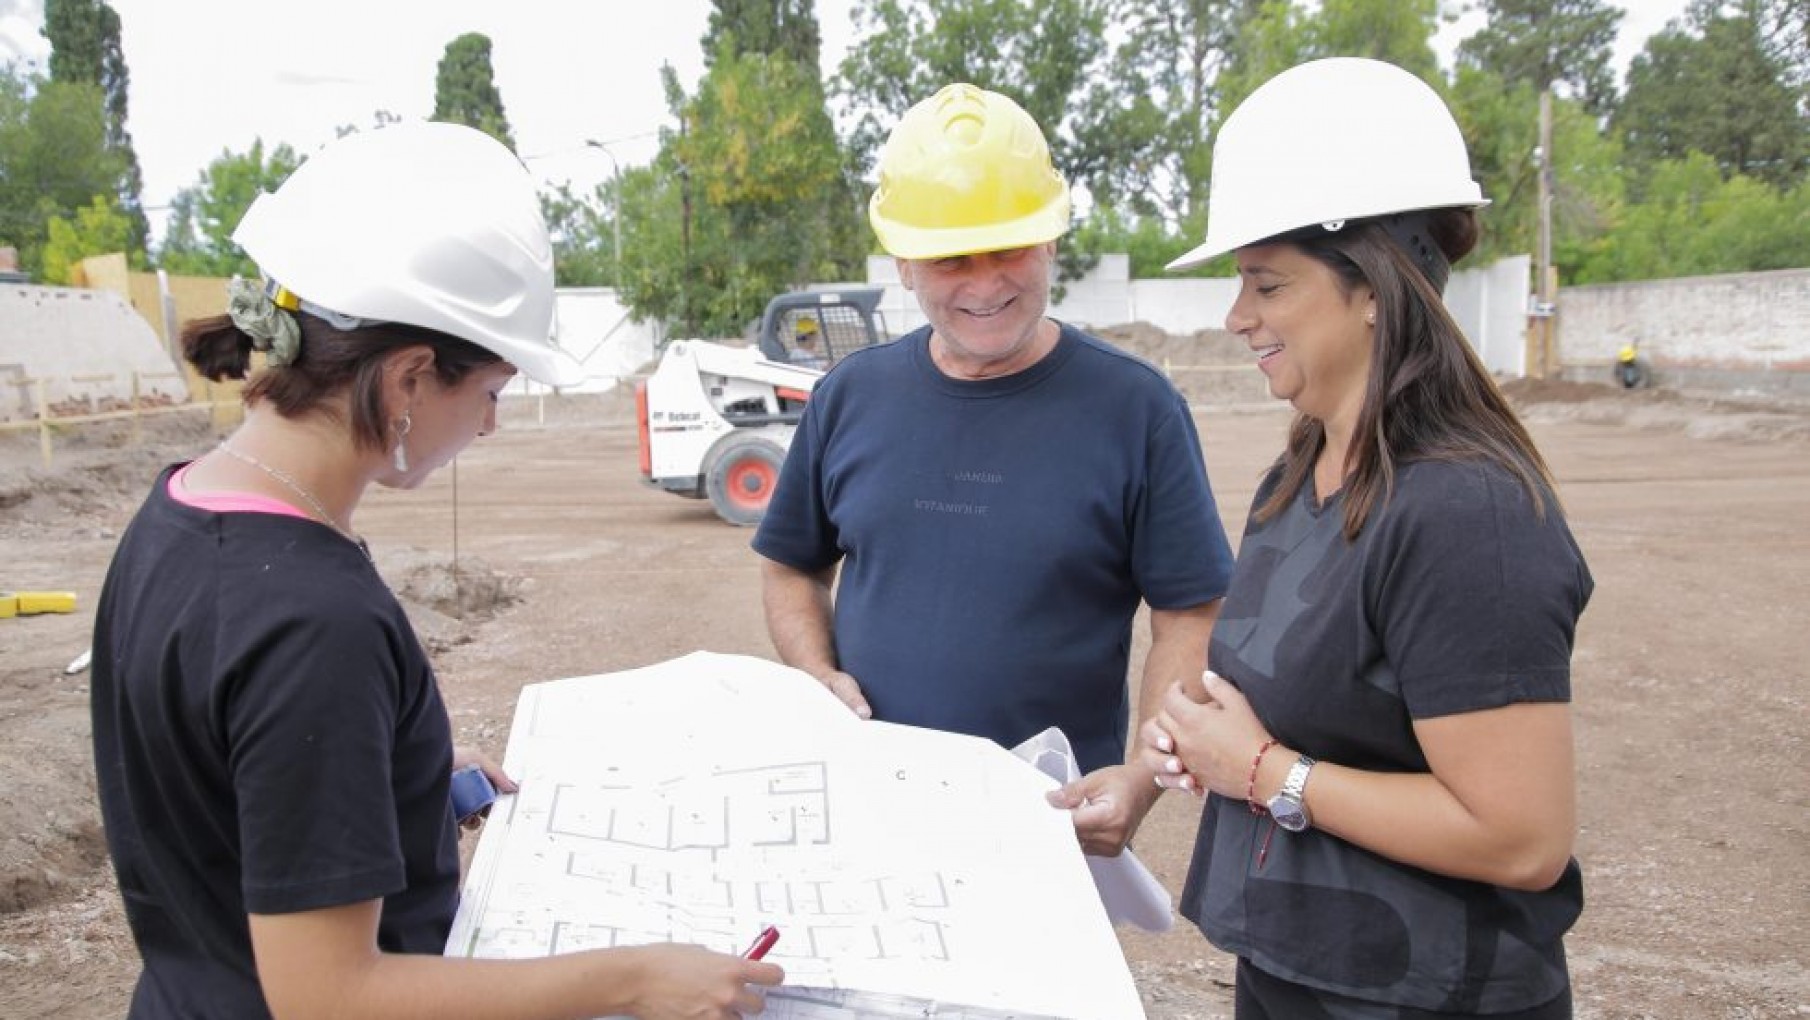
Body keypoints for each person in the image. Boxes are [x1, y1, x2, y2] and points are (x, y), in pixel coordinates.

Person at [89, 121, 781, 1019]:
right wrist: (640, 976)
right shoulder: (313, 623)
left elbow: (224, 782)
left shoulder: (182, 507)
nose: (489, 425)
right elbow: (328, 994)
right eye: (489, 392)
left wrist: (395, 782)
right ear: (410, 376)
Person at [1142, 58, 1593, 1018]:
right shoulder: (1300, 472)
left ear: (1376, 289)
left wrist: (1265, 772)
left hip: (1427, 997)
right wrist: (1206, 741)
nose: (1236, 317)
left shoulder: (1468, 514)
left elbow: (1519, 838)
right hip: (1301, 975)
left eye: (1266, 283)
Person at [752, 82, 1236, 858]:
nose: (985, 285)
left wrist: (1140, 776)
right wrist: (815, 671)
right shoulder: (849, 397)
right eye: (950, 260)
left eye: (1008, 247)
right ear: (905, 263)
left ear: (1050, 242)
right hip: (871, 811)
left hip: (1046, 828)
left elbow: (1190, 612)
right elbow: (790, 568)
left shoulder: (1135, 409)